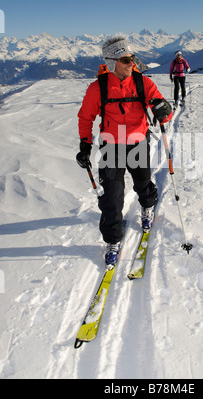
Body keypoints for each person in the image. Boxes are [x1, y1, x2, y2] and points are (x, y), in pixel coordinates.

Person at [76, 34, 173, 268]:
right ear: (112, 62)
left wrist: (164, 109)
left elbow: (163, 111)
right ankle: (113, 240)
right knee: (111, 197)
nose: (133, 63)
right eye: (126, 60)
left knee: (142, 183)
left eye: (133, 58)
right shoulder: (97, 88)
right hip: (111, 146)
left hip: (138, 142)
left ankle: (147, 207)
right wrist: (85, 144)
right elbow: (85, 117)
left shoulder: (143, 83)